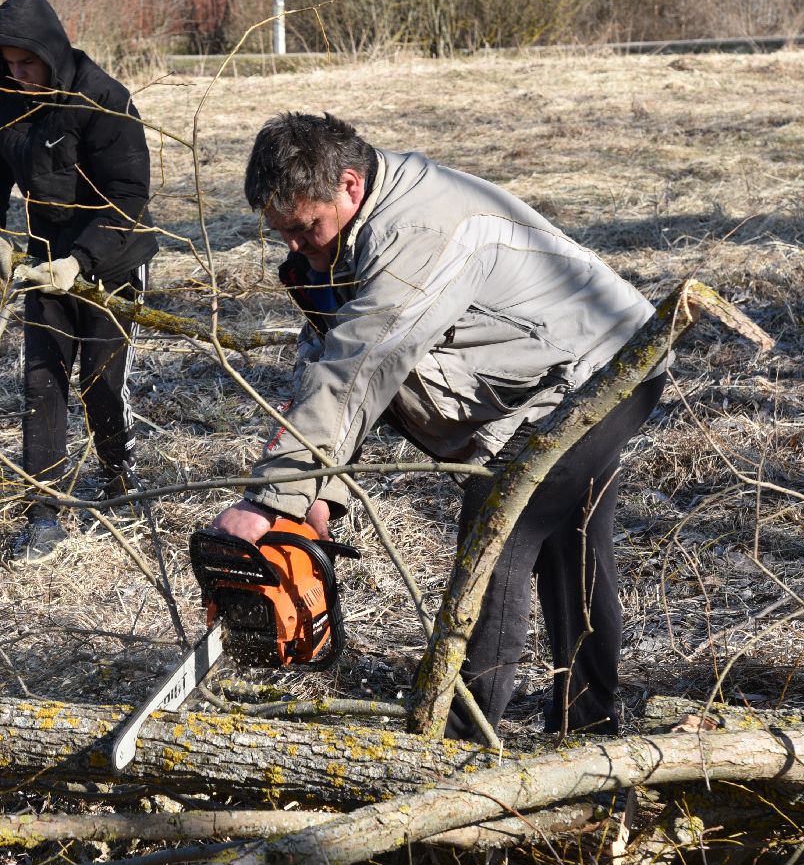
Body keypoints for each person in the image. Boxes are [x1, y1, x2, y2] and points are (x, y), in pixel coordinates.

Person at [211, 112, 668, 742]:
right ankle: (589, 733)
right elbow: (329, 362)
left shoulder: (419, 230)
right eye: (281, 233)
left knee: (497, 537)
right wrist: (316, 493)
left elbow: (360, 367)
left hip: (603, 366)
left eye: (304, 227)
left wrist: (267, 501)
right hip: (539, 381)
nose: (294, 246)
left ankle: (455, 745)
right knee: (574, 548)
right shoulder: (340, 243)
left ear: (348, 186)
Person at [0, 0, 159, 565]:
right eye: (7, 64)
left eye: (26, 62)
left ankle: (119, 473)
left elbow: (128, 195)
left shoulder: (103, 98)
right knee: (42, 380)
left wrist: (82, 261)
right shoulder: (2, 100)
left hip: (111, 261)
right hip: (42, 259)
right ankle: (43, 513)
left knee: (100, 381)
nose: (17, 74)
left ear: (50, 52)